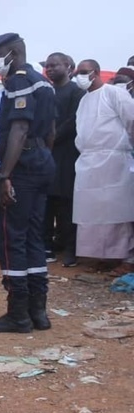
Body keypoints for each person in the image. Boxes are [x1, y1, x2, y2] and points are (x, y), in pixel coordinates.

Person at [0, 33, 57, 333]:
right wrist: (41, 158)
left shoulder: (18, 82)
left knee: (12, 237)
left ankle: (18, 314)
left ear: (12, 53)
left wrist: (5, 175)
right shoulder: (43, 82)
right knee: (34, 237)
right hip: (41, 161)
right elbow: (50, 130)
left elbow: (19, 129)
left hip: (22, 165)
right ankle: (38, 312)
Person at [73, 59, 134, 272]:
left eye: (84, 71)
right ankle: (102, 255)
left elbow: (131, 121)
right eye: (77, 73)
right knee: (93, 212)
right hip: (88, 161)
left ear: (96, 72)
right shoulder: (84, 100)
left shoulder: (115, 93)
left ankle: (125, 257)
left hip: (115, 160)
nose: (79, 76)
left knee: (117, 210)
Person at [44, 53, 84, 267]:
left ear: (68, 66)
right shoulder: (46, 91)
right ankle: (47, 245)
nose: (50, 69)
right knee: (46, 202)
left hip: (67, 153)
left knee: (66, 203)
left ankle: (70, 249)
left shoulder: (77, 92)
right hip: (46, 154)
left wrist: (53, 137)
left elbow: (74, 121)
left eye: (54, 65)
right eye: (47, 66)